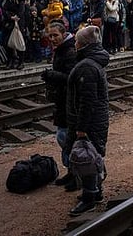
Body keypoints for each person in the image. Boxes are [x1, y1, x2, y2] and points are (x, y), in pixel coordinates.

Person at [65, 25, 110, 216]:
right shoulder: (91, 62)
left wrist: (81, 128)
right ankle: (95, 191)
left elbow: (87, 101)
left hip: (90, 122)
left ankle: (89, 197)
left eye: (76, 41)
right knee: (93, 154)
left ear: (83, 44)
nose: (74, 44)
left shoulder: (87, 67)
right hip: (97, 119)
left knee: (87, 158)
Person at [41, 20, 77, 190]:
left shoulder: (69, 52)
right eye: (50, 36)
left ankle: (76, 175)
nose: (52, 39)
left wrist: (52, 75)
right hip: (62, 101)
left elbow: (71, 77)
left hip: (69, 102)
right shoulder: (61, 50)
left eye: (55, 35)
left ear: (63, 34)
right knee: (65, 138)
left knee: (66, 138)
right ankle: (72, 172)